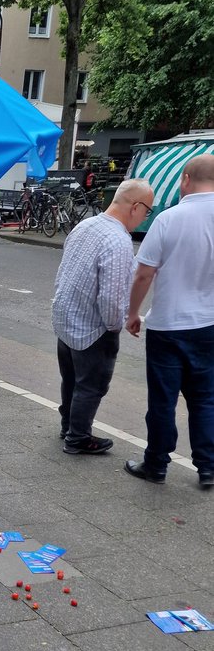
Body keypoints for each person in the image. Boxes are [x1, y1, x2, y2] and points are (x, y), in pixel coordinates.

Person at [124, 154, 214, 488]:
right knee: (205, 399)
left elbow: (144, 274)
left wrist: (133, 314)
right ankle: (208, 468)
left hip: (168, 326)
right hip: (209, 327)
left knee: (163, 401)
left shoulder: (168, 219)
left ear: (186, 180)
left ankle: (156, 465)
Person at [52, 178, 155, 454]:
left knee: (71, 380)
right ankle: (78, 438)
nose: (146, 218)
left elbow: (63, 274)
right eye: (148, 211)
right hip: (93, 330)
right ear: (135, 207)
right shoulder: (118, 241)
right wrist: (114, 327)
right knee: (91, 386)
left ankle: (68, 427)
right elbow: (111, 299)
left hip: (66, 321)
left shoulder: (85, 225)